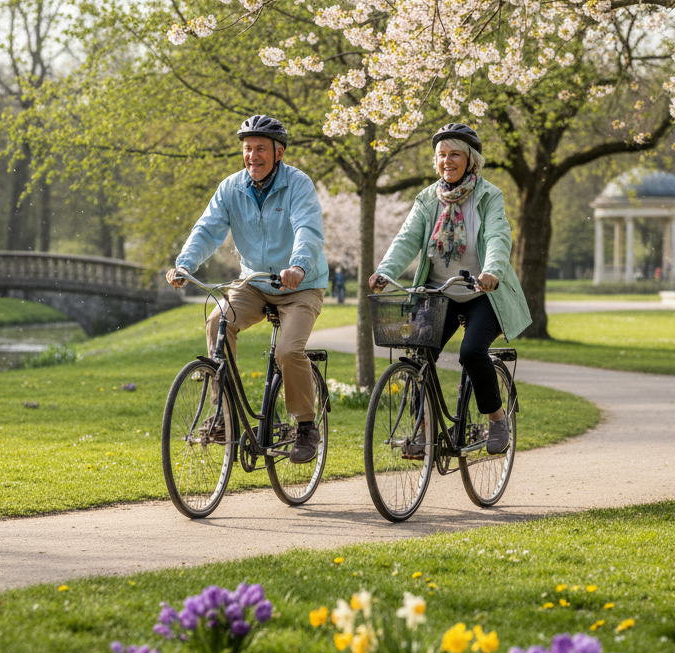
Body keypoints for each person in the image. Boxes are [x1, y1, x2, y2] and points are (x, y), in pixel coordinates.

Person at [167, 115, 329, 464]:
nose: (253, 156)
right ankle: (224, 415)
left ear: (279, 152)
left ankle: (305, 425)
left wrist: (299, 265)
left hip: (301, 285)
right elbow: (207, 230)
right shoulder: (231, 188)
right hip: (254, 282)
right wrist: (185, 264)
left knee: (288, 351)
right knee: (217, 323)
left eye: (260, 149)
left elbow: (308, 229)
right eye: (247, 149)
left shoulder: (298, 184)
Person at [368, 123, 531, 455]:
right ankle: (423, 430)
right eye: (441, 155)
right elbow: (407, 239)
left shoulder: (488, 195)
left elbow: (498, 238)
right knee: (418, 356)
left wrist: (491, 271)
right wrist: (385, 270)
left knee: (472, 352)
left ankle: (497, 419)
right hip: (438, 292)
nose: (447, 161)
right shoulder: (428, 199)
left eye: (455, 154)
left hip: (482, 294)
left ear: (470, 160)